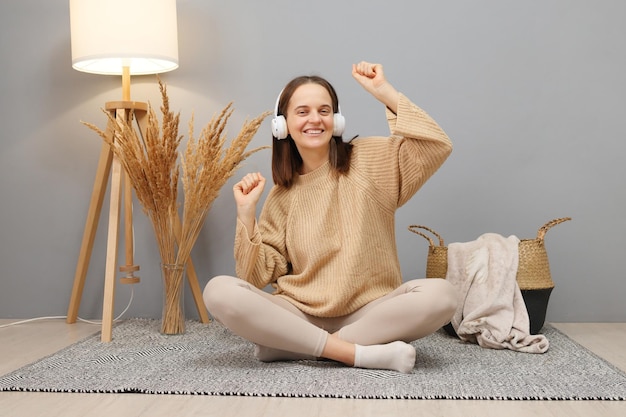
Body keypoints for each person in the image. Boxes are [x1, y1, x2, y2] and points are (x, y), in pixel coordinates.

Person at [203, 61, 456, 373]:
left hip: (370, 311)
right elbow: (254, 278)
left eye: (324, 111)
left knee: (442, 295)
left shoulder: (369, 159)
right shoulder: (280, 196)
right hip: (299, 311)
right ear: (281, 125)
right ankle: (354, 353)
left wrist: (384, 92)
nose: (315, 119)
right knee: (218, 290)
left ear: (336, 121)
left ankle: (295, 346)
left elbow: (435, 146)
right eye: (303, 111)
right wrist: (245, 214)